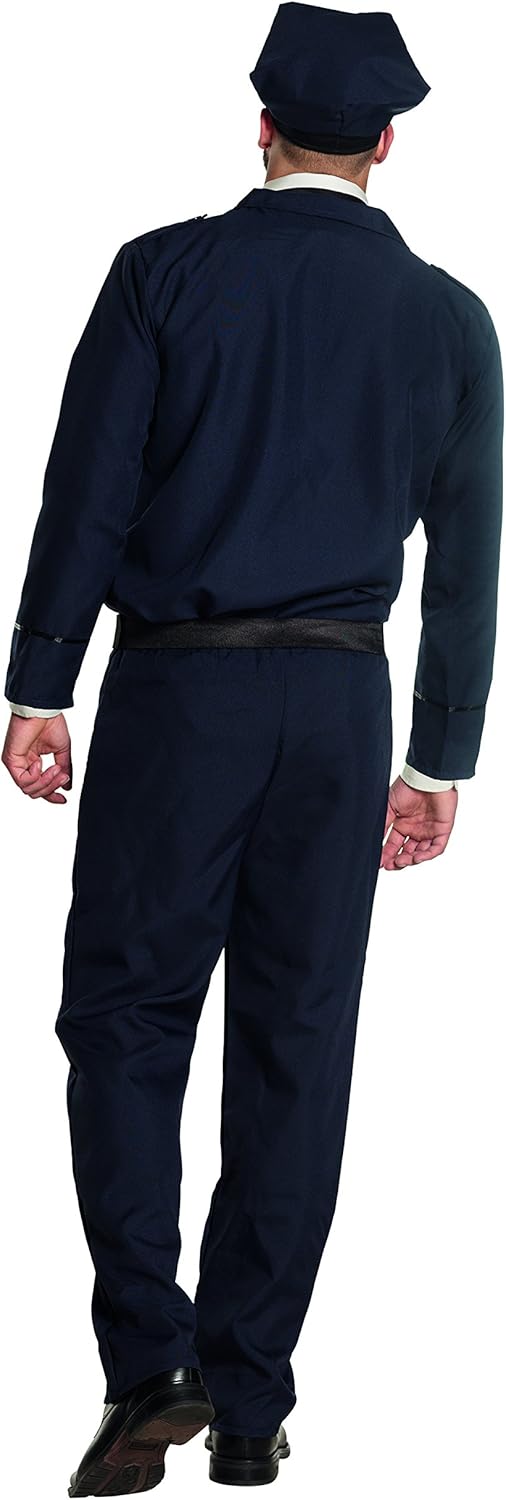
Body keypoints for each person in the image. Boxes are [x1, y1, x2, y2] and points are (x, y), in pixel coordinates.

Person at [2, 2, 503, 1494]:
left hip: (179, 696)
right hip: (343, 709)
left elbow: (88, 490)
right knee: (298, 1042)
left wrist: (40, 684)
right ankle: (249, 1396)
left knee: (127, 1019)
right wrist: (439, 760)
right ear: (386, 145)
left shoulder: (164, 273)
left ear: (261, 126)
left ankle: (147, 1362)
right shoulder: (447, 319)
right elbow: (468, 561)